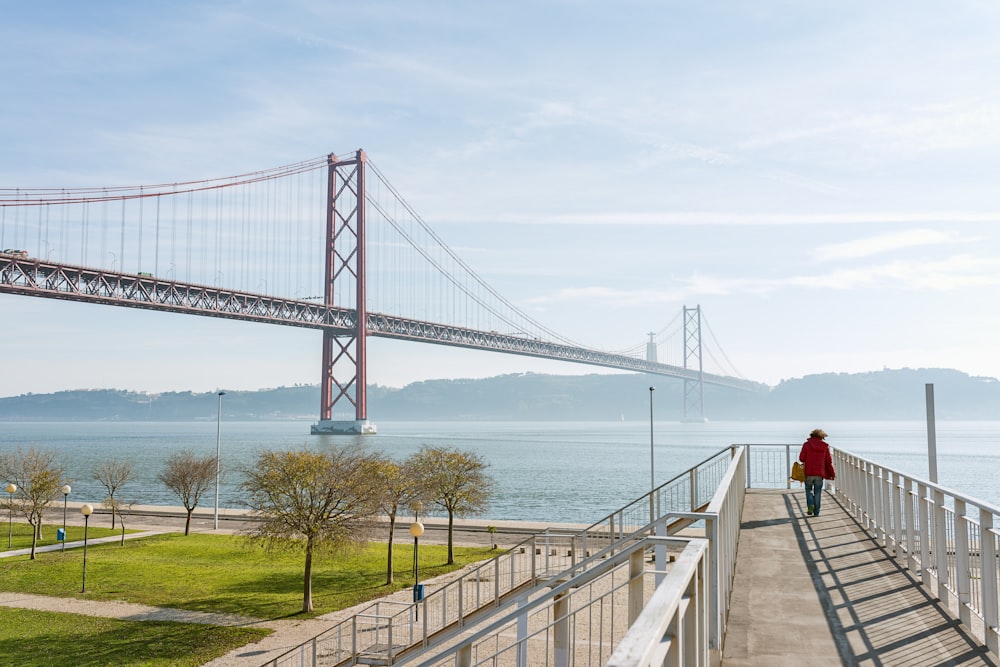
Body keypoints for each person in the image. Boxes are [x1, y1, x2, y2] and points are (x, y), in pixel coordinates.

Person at [798, 428, 835, 516]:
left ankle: (810, 505)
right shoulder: (825, 446)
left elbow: (801, 458)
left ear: (811, 435)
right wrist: (832, 474)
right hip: (820, 473)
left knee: (808, 489)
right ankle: (816, 512)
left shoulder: (806, 445)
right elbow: (828, 462)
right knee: (818, 491)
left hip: (808, 472)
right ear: (822, 437)